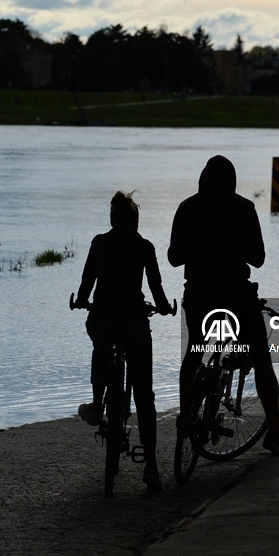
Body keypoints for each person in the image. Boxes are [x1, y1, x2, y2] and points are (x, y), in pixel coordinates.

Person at [168, 155, 279, 456]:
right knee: (261, 358)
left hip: (198, 298)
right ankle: (274, 432)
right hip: (236, 297)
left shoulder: (187, 207)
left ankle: (185, 414)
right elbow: (258, 259)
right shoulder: (244, 208)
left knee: (194, 350)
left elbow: (173, 257)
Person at [75, 191, 172, 491]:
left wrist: (80, 300)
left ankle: (95, 404)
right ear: (135, 222)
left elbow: (87, 282)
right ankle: (152, 467)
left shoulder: (99, 243)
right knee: (144, 393)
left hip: (103, 318)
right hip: (134, 322)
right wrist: (166, 307)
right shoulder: (144, 247)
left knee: (101, 345)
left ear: (112, 220)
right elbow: (155, 288)